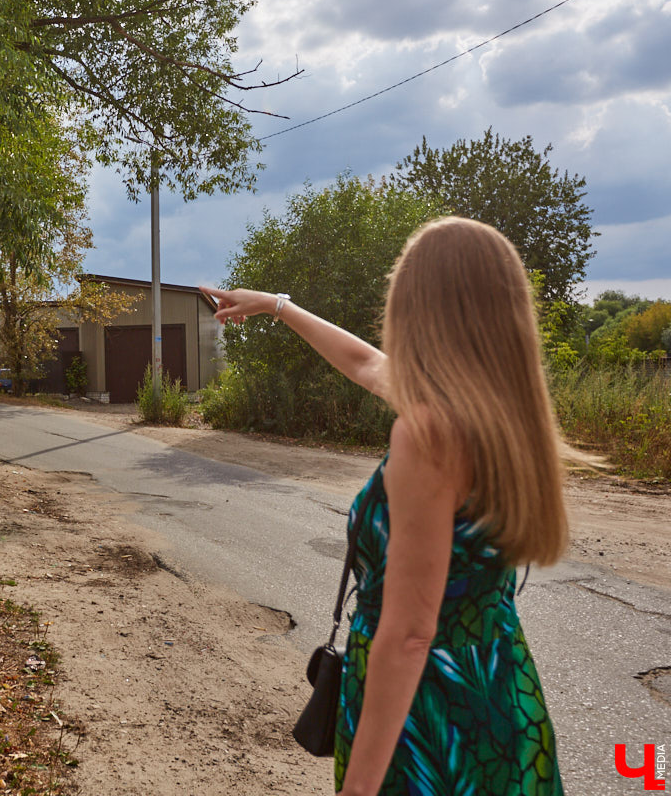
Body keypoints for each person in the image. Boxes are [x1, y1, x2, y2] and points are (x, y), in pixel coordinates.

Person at [201, 216, 576, 795]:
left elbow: (409, 634)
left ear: (416, 305)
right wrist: (276, 305)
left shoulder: (427, 435)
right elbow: (363, 363)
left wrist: (360, 787)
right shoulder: (504, 418)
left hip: (428, 714)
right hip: (501, 693)